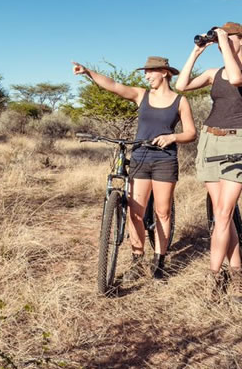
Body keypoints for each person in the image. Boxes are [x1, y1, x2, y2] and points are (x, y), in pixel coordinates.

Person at [72, 57, 196, 281]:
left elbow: (190, 133)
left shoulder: (180, 101)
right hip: (140, 157)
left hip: (165, 160)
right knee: (135, 213)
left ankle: (159, 262)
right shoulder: (141, 95)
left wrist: (172, 137)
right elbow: (113, 86)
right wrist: (88, 72)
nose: (146, 75)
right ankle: (138, 260)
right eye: (146, 72)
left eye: (151, 71)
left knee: (162, 212)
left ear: (165, 73)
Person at [175, 22, 242, 302]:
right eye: (222, 38)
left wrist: (224, 41)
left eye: (231, 37)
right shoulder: (214, 73)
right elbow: (181, 85)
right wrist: (196, 52)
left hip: (238, 141)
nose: (223, 41)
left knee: (225, 214)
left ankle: (214, 276)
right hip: (209, 140)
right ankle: (237, 271)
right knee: (221, 215)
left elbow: (237, 79)